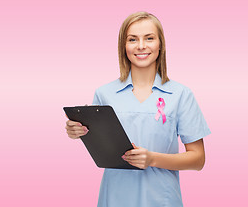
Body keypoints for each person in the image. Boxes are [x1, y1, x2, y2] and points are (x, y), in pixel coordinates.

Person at [65, 11, 211, 206]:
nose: (141, 46)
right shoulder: (104, 94)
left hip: (161, 199)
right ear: (123, 46)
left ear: (161, 45)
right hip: (115, 197)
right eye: (133, 39)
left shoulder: (181, 95)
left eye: (149, 38)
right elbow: (100, 145)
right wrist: (78, 131)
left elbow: (198, 160)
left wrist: (152, 159)